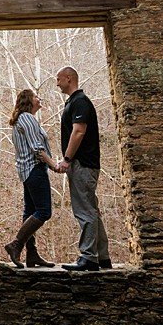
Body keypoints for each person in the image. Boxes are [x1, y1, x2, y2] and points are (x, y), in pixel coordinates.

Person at [3, 88, 68, 268]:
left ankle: (32, 254)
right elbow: (37, 149)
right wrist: (53, 165)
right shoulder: (27, 118)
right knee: (44, 211)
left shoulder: (22, 120)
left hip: (26, 171)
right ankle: (16, 245)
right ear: (29, 101)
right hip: (34, 169)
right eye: (36, 96)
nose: (40, 98)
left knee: (30, 211)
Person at [56, 65, 111, 271]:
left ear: (69, 78)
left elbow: (78, 132)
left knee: (84, 210)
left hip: (82, 164)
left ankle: (88, 257)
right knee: (92, 210)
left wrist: (67, 158)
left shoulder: (80, 102)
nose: (57, 82)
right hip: (84, 164)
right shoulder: (75, 102)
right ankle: (102, 257)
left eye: (59, 79)